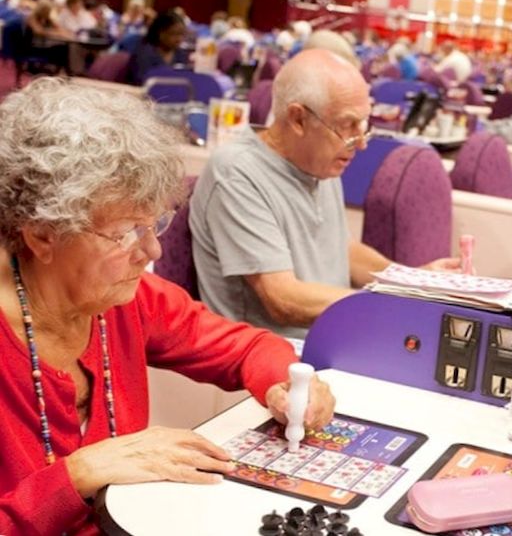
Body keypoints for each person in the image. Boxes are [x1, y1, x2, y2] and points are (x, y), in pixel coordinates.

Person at [0, 78, 336, 535]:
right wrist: (76, 476)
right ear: (42, 235)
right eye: (125, 232)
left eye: (154, 223)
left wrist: (286, 385)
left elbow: (245, 347)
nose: (153, 251)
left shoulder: (123, 300)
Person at [189, 49, 461, 340]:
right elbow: (283, 299)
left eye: (364, 124)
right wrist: (393, 301)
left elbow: (343, 250)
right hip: (271, 360)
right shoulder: (237, 172)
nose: (360, 144)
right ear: (298, 119)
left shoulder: (319, 160)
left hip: (333, 338)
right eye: (347, 126)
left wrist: (414, 282)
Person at [125, 9, 188, 85]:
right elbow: (141, 83)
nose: (179, 39)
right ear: (160, 33)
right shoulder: (143, 54)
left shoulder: (181, 54)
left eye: (182, 34)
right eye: (174, 34)